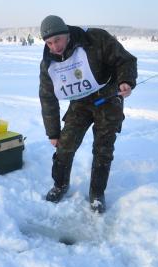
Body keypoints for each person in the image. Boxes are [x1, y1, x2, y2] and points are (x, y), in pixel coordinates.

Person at [39, 15, 137, 213]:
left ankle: (97, 194)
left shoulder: (95, 39)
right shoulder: (49, 63)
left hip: (108, 98)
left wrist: (125, 81)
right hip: (81, 103)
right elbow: (48, 98)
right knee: (64, 146)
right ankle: (60, 185)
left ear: (66, 33)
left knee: (103, 149)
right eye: (49, 43)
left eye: (57, 40)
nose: (54, 47)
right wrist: (53, 132)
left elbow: (125, 61)